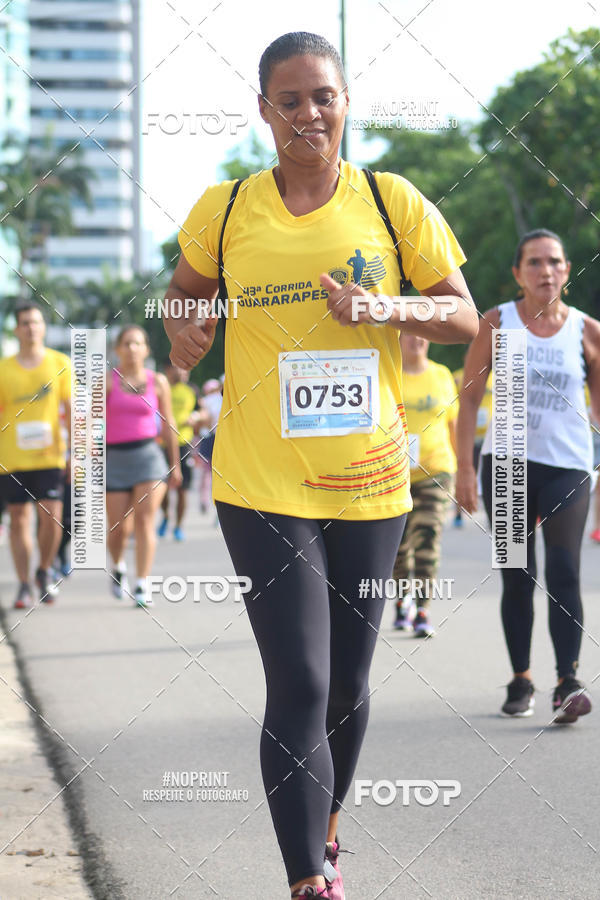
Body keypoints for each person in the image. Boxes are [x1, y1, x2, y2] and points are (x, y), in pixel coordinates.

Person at [164, 32, 477, 899]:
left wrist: (379, 302)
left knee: (346, 682)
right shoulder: (225, 208)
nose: (310, 114)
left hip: (371, 483)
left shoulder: (393, 201)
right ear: (264, 110)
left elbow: (462, 317)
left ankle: (328, 830)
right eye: (291, 99)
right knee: (298, 678)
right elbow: (183, 290)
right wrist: (180, 325)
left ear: (346, 103)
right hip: (260, 482)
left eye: (324, 96)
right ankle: (306, 878)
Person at [456, 229, 600, 724]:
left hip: (568, 464)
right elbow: (470, 399)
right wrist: (463, 471)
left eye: (555, 262)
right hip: (509, 462)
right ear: (518, 273)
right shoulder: (498, 322)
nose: (546, 271)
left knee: (564, 569)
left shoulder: (587, 331)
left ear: (566, 269)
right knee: (517, 574)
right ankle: (521, 679)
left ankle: (568, 681)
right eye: (535, 263)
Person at [0, 303, 71, 608]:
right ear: (16, 330)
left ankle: (44, 569)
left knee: (52, 518)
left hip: (49, 456)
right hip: (13, 457)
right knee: (18, 520)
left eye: (37, 322)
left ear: (44, 328)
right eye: (25, 323)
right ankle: (25, 584)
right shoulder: (4, 369)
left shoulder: (59, 363)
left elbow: (73, 412)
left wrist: (77, 452)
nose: (31, 328)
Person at [105, 325, 181, 607]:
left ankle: (142, 584)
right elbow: (90, 422)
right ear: (118, 349)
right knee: (118, 529)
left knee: (145, 520)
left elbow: (169, 423)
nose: (132, 348)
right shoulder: (107, 382)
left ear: (146, 349)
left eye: (137, 343)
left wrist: (175, 464)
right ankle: (118, 566)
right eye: (126, 343)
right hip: (116, 459)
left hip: (149, 456)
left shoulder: (157, 381)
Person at [392, 334, 457, 636]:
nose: (417, 340)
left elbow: (453, 425)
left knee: (427, 539)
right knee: (398, 547)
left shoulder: (441, 375)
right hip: (394, 473)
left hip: (436, 471)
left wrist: (462, 469)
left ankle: (423, 609)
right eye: (410, 335)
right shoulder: (389, 372)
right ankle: (401, 601)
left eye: (423, 335)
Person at [157, 362, 201, 541]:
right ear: (168, 369)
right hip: (162, 444)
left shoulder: (191, 390)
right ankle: (166, 516)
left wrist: (196, 417)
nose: (184, 371)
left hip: (184, 443)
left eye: (186, 368)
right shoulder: (160, 387)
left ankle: (178, 526)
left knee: (183, 488)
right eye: (179, 368)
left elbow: (202, 411)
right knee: (162, 487)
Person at [451, 366, 492, 527]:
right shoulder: (459, 377)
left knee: (494, 477)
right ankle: (458, 513)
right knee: (465, 474)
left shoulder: (497, 375)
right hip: (471, 436)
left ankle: (494, 516)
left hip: (490, 436)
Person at [197, 378, 222, 515]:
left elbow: (204, 421)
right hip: (217, 437)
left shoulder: (207, 401)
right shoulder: (220, 399)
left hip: (209, 437)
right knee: (217, 472)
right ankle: (213, 500)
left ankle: (205, 500)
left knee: (207, 471)